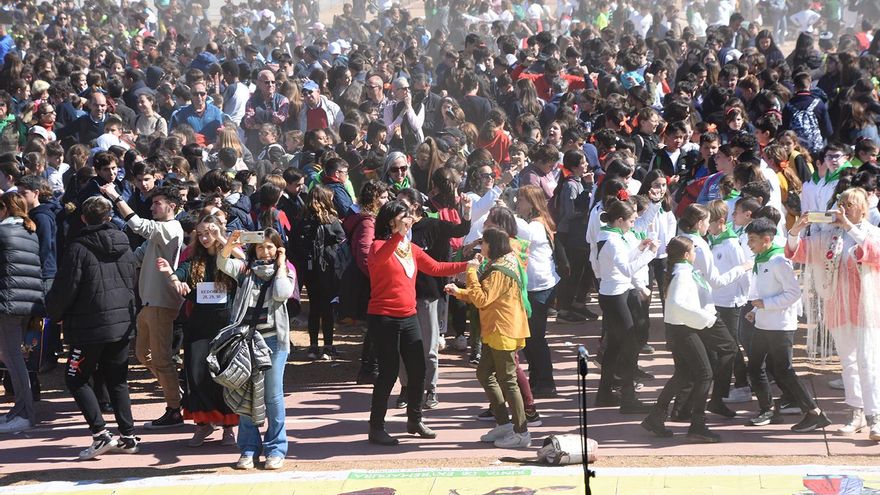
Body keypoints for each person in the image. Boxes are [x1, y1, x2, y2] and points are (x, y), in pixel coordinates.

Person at [366, 200, 467, 446]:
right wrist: (397, 236)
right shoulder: (379, 246)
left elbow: (435, 267)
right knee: (388, 372)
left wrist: (468, 264)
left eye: (410, 216)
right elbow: (380, 260)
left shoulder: (409, 248)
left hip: (408, 315)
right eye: (404, 216)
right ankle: (376, 427)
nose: (410, 220)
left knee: (418, 368)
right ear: (391, 221)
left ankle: (415, 419)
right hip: (383, 317)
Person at [46, 196, 139, 459]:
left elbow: (65, 288)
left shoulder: (78, 247)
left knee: (75, 378)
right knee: (118, 380)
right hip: (121, 323)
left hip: (90, 326)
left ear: (84, 218)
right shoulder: (125, 244)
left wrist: (55, 313)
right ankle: (128, 436)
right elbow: (131, 279)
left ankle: (100, 433)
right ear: (109, 217)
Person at [787, 188, 880, 440]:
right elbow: (798, 251)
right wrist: (797, 228)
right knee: (848, 362)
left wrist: (850, 226)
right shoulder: (830, 236)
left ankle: (875, 417)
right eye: (842, 203)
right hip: (839, 307)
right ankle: (856, 412)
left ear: (863, 209)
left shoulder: (871, 233)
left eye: (850, 204)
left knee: (868, 362)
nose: (844, 208)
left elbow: (875, 253)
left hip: (867, 310)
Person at [99, 182, 185, 429]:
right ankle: (177, 394)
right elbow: (135, 256)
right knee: (143, 354)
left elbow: (138, 225)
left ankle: (175, 409)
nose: (152, 206)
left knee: (161, 358)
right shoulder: (158, 232)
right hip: (148, 301)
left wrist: (116, 197)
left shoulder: (171, 228)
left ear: (172, 206)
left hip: (162, 302)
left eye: (157, 203)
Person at [156, 215, 239, 447]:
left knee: (224, 376)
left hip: (225, 326)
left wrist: (223, 239)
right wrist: (171, 277)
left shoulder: (229, 255)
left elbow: (245, 265)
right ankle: (203, 424)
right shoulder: (195, 259)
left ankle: (228, 427)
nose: (204, 238)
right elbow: (180, 274)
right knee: (196, 374)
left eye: (208, 233)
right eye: (200, 234)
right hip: (199, 326)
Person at [218, 228, 296, 470]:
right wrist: (230, 243)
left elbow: (283, 293)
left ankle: (276, 448)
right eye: (261, 247)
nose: (265, 251)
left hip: (274, 341)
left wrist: (281, 263)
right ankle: (249, 448)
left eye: (271, 247)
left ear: (278, 249)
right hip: (247, 341)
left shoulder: (286, 271)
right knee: (246, 394)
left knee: (273, 395)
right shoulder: (245, 270)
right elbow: (222, 263)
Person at [446, 227, 531, 448]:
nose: (480, 247)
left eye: (483, 243)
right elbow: (485, 297)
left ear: (492, 245)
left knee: (508, 381)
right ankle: (504, 423)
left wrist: (471, 272)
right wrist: (459, 292)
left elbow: (482, 299)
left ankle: (522, 432)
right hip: (496, 329)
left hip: (504, 330)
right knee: (484, 373)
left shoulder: (499, 270)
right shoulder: (500, 264)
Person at [745, 217, 832, 432]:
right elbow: (768, 291)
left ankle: (814, 412)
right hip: (764, 323)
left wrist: (764, 304)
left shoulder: (778, 260)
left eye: (753, 240)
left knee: (784, 370)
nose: (749, 244)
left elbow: (793, 293)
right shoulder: (762, 258)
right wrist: (756, 310)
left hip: (780, 325)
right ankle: (767, 410)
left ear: (767, 239)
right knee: (755, 367)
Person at [640, 236, 722, 443]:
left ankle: (656, 416)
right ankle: (698, 425)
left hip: (678, 330)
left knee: (684, 374)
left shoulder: (680, 272)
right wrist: (706, 319)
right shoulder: (683, 275)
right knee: (705, 374)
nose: (695, 254)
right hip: (684, 330)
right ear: (686, 255)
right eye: (693, 251)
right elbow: (677, 304)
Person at [593, 198, 658, 413]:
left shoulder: (614, 236)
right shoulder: (611, 240)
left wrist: (639, 249)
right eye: (631, 221)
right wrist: (650, 254)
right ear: (619, 220)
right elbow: (627, 269)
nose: (634, 224)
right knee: (629, 346)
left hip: (616, 293)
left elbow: (623, 260)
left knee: (614, 346)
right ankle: (628, 398)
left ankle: (604, 394)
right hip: (614, 296)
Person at [0, 192, 43, 434]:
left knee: (12, 357)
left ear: (5, 209)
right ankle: (20, 411)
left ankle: (24, 412)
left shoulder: (4, 232)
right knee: (13, 357)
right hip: (26, 302)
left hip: (9, 302)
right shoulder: (30, 232)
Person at [289, 185, 345, 360]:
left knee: (314, 307)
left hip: (309, 270)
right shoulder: (332, 221)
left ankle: (313, 346)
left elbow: (294, 247)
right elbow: (341, 243)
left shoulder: (300, 220)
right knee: (327, 308)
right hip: (328, 270)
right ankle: (328, 346)